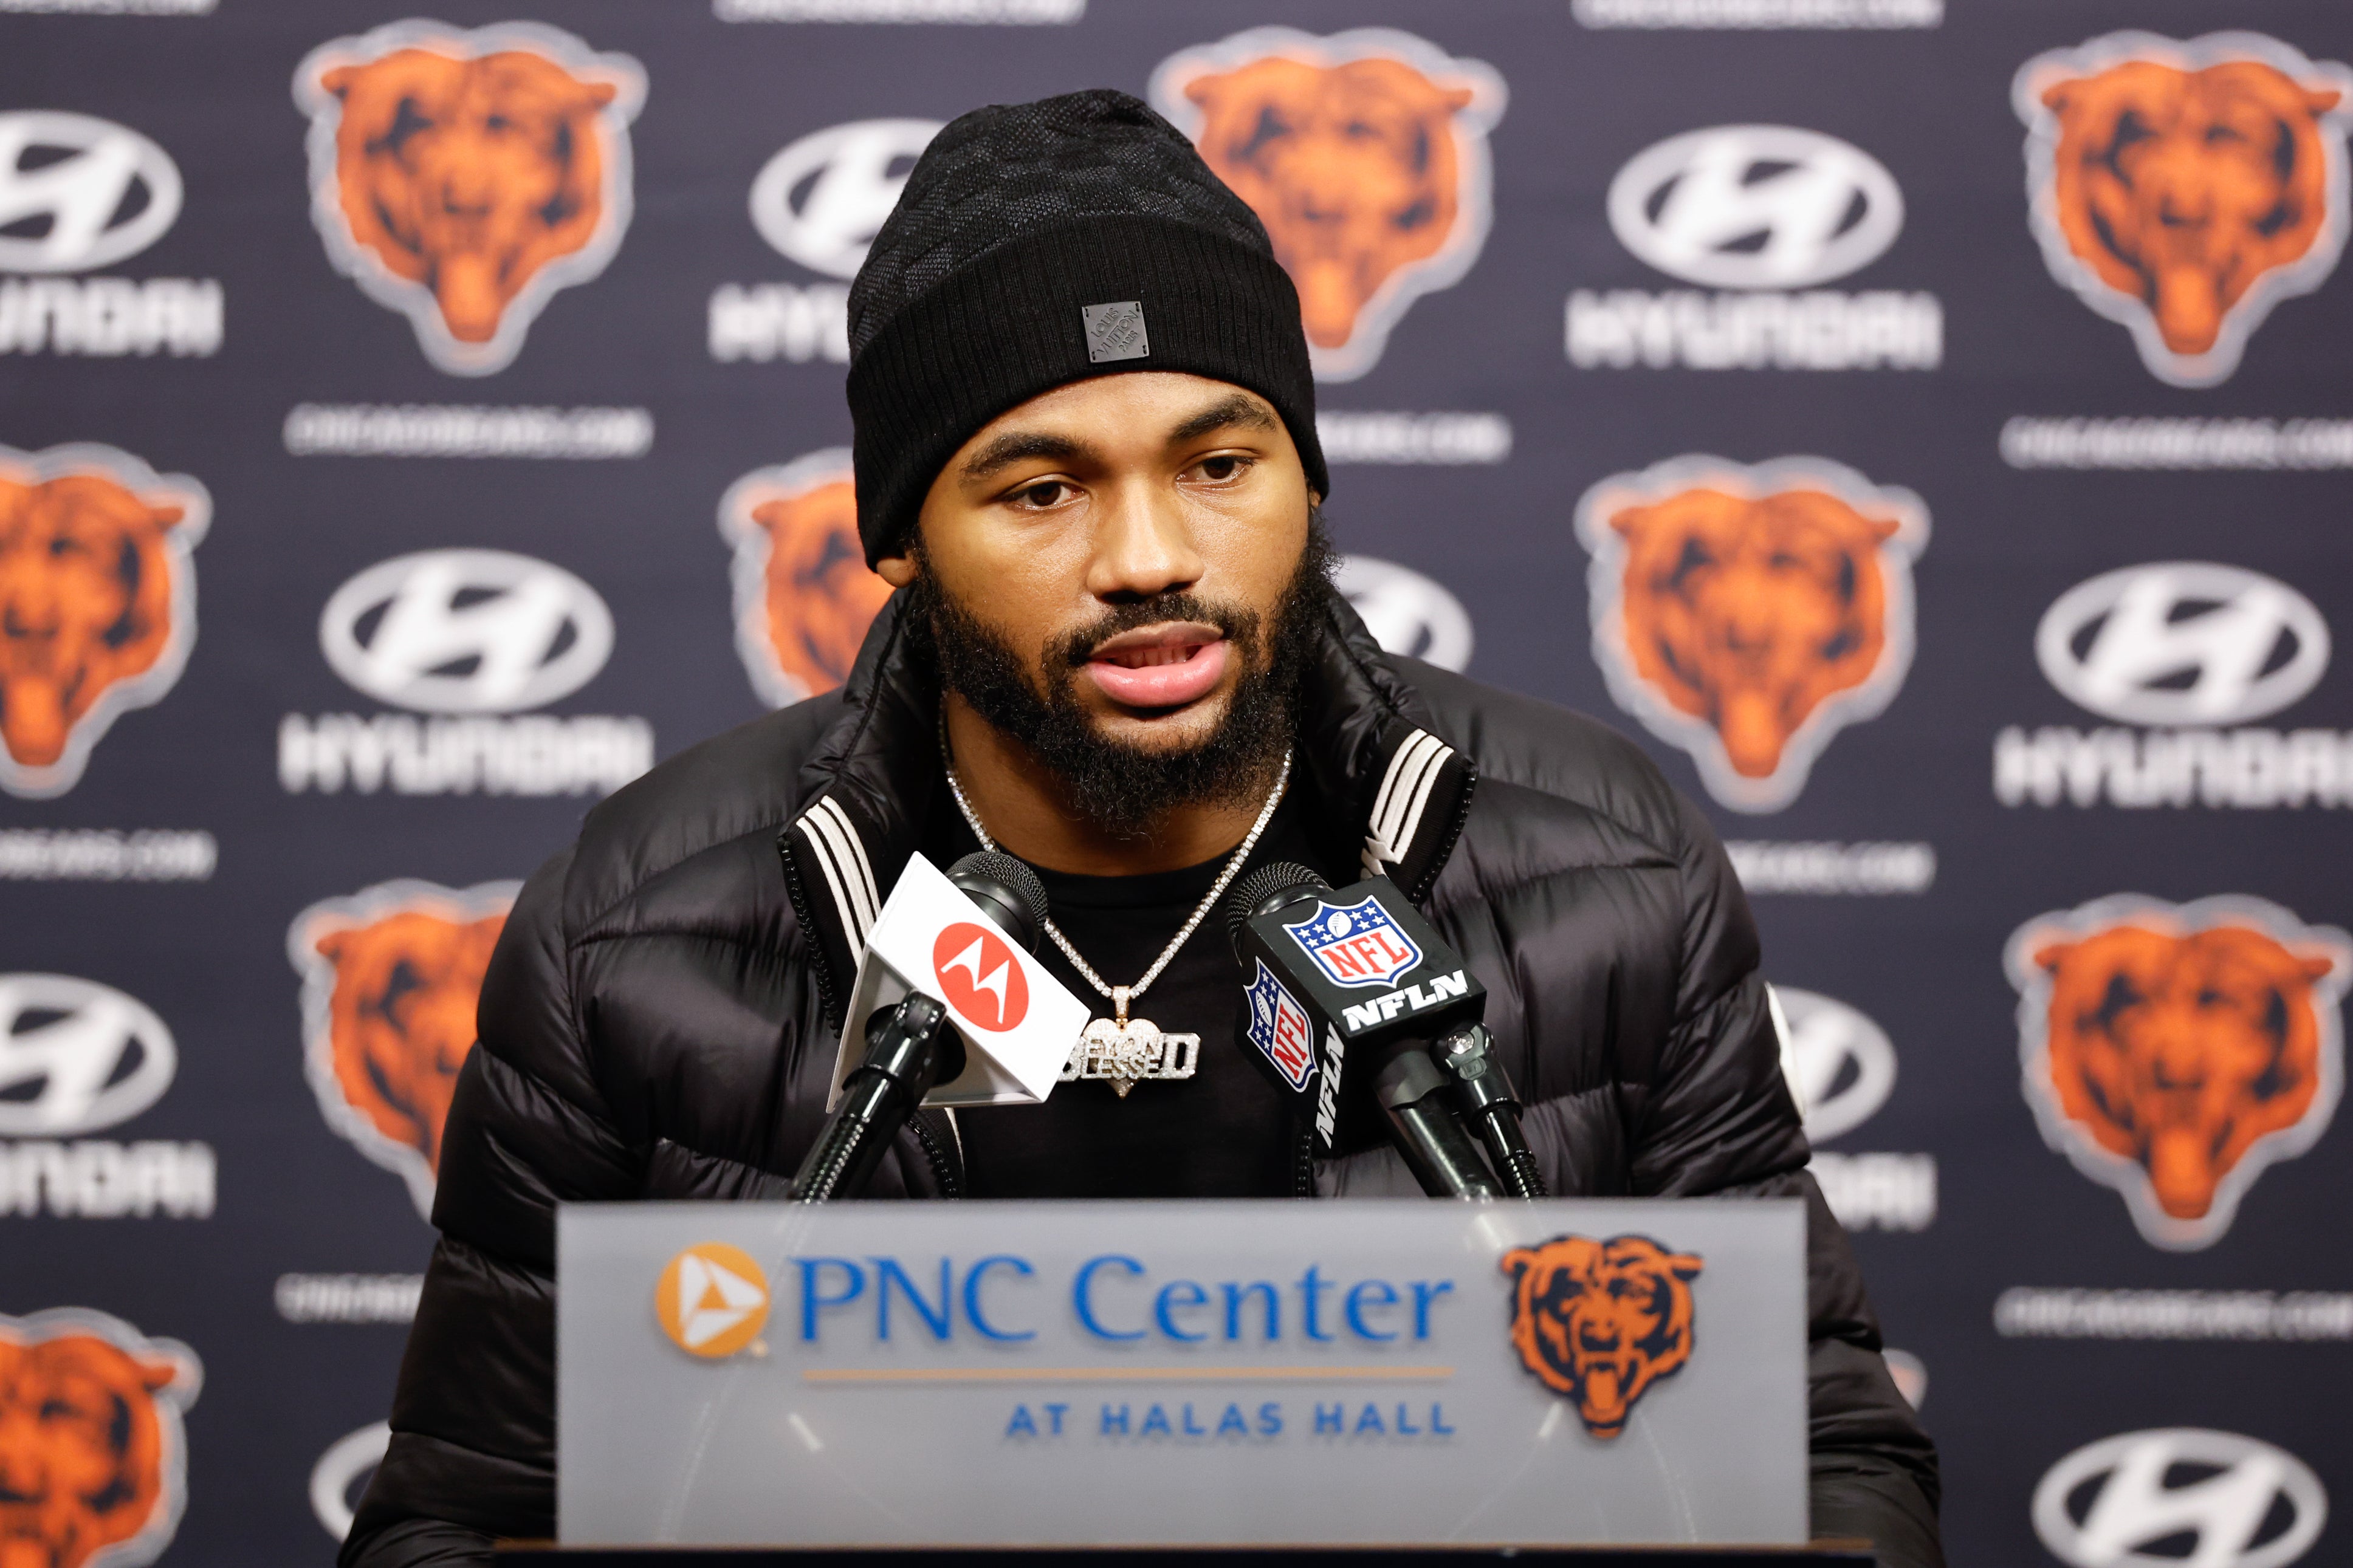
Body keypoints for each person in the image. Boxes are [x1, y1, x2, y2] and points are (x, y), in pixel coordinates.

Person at [342, 89, 1942, 1568]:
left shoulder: (1605, 871)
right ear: (903, 540)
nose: (1151, 557)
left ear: (1304, 480)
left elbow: (1816, 1452)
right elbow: (465, 1517)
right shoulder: (637, 935)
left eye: (1220, 462)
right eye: (1042, 489)